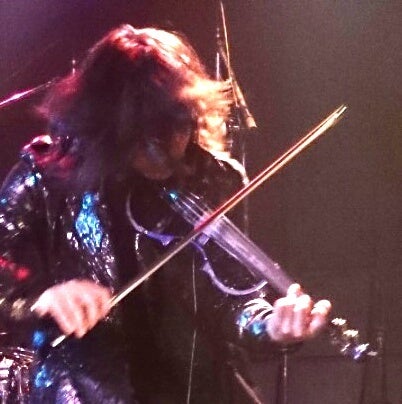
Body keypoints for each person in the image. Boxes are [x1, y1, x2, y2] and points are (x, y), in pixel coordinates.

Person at [0, 24, 331, 403]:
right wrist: (44, 297)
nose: (163, 152)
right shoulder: (48, 174)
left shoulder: (214, 178)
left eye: (175, 126)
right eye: (144, 135)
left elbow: (233, 297)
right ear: (108, 124)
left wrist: (271, 326)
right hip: (86, 392)